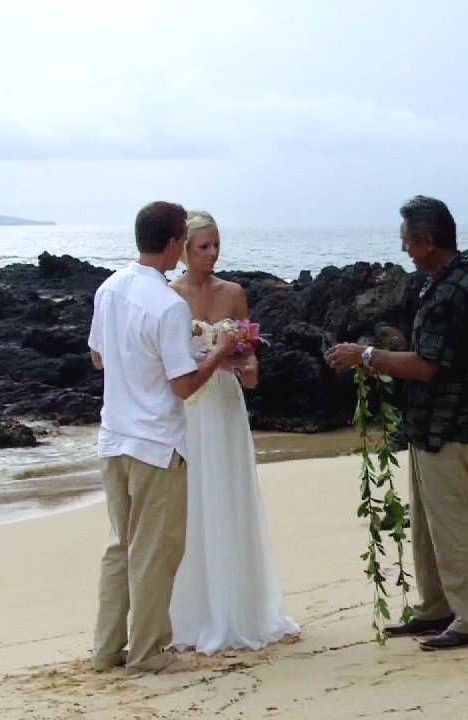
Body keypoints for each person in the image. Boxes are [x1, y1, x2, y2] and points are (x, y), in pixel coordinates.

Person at [325, 195, 468, 651]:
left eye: (407, 241)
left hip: (448, 421)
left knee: (451, 519)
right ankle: (437, 606)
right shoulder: (438, 284)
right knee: (426, 522)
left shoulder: (453, 291)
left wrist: (366, 356)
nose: (403, 250)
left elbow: (427, 366)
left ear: (428, 241)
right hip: (427, 421)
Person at [87, 201, 238, 673]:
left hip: (114, 436)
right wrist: (220, 352)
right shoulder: (168, 305)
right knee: (155, 549)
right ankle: (149, 651)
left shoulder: (109, 289)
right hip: (155, 442)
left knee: (120, 545)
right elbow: (185, 385)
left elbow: (98, 358)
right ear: (175, 243)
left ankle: (106, 648)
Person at [168, 210, 300, 654]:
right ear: (183, 249)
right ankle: (193, 612)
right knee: (193, 501)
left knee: (230, 494)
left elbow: (249, 360)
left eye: (216, 244)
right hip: (190, 408)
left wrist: (247, 365)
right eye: (203, 246)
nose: (211, 253)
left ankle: (240, 608)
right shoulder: (170, 296)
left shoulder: (234, 293)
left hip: (224, 405)